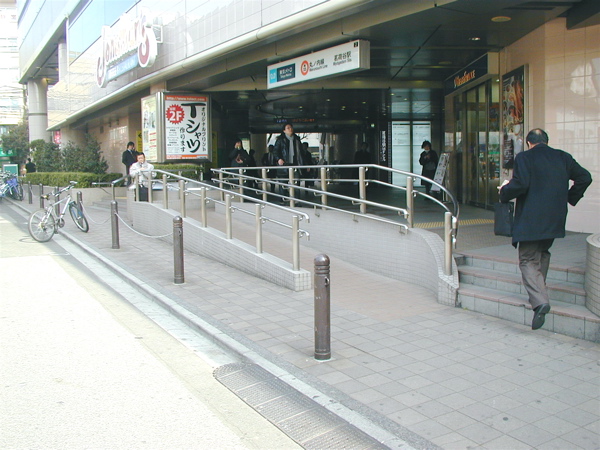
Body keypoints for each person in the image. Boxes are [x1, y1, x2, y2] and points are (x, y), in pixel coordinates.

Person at [499, 128, 592, 330]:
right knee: (542, 252)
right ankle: (539, 291)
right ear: (546, 141)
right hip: (555, 218)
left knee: (527, 258)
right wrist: (570, 197)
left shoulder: (524, 157)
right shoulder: (563, 157)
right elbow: (585, 177)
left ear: (529, 143)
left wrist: (504, 191)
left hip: (531, 219)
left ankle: (540, 301)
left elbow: (520, 184)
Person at [273, 122, 306, 200]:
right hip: (284, 165)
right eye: (288, 128)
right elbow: (275, 151)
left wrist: (305, 164)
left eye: (291, 127)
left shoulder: (297, 139)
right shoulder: (280, 140)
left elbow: (301, 153)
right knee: (283, 184)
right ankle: (283, 200)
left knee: (296, 184)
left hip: (295, 164)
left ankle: (296, 200)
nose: (290, 129)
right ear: (284, 130)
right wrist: (278, 159)